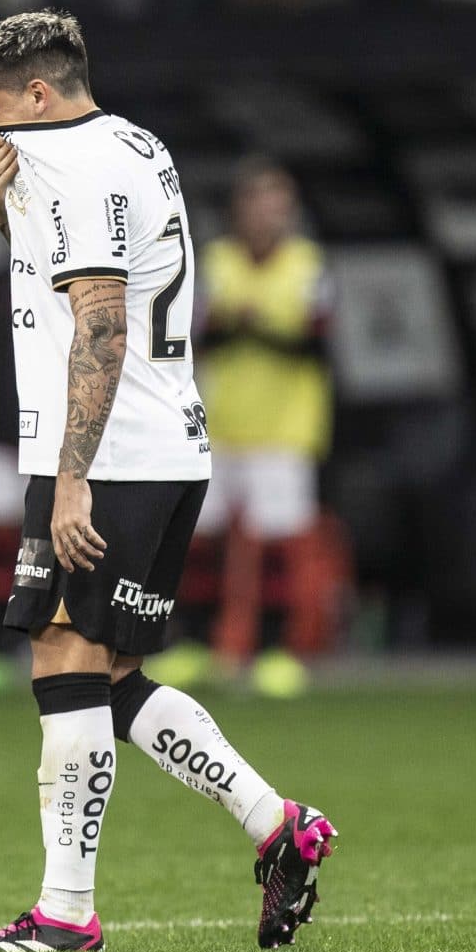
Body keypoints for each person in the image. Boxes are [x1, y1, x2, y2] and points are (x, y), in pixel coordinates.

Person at [0, 10, 336, 952]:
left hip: (108, 456)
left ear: (38, 94)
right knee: (110, 677)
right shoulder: (132, 143)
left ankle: (65, 915)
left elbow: (104, 323)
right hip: (165, 446)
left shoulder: (70, 164)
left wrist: (71, 478)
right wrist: (2, 210)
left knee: (63, 663)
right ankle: (277, 824)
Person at [190, 158, 334, 674]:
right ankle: (198, 644)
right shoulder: (215, 262)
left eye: (277, 204)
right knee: (200, 538)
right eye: (257, 202)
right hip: (217, 423)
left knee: (277, 543)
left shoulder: (309, 265)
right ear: (239, 208)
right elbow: (195, 335)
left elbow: (318, 345)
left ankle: (276, 651)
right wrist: (238, 326)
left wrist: (254, 325)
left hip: (283, 429)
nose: (266, 214)